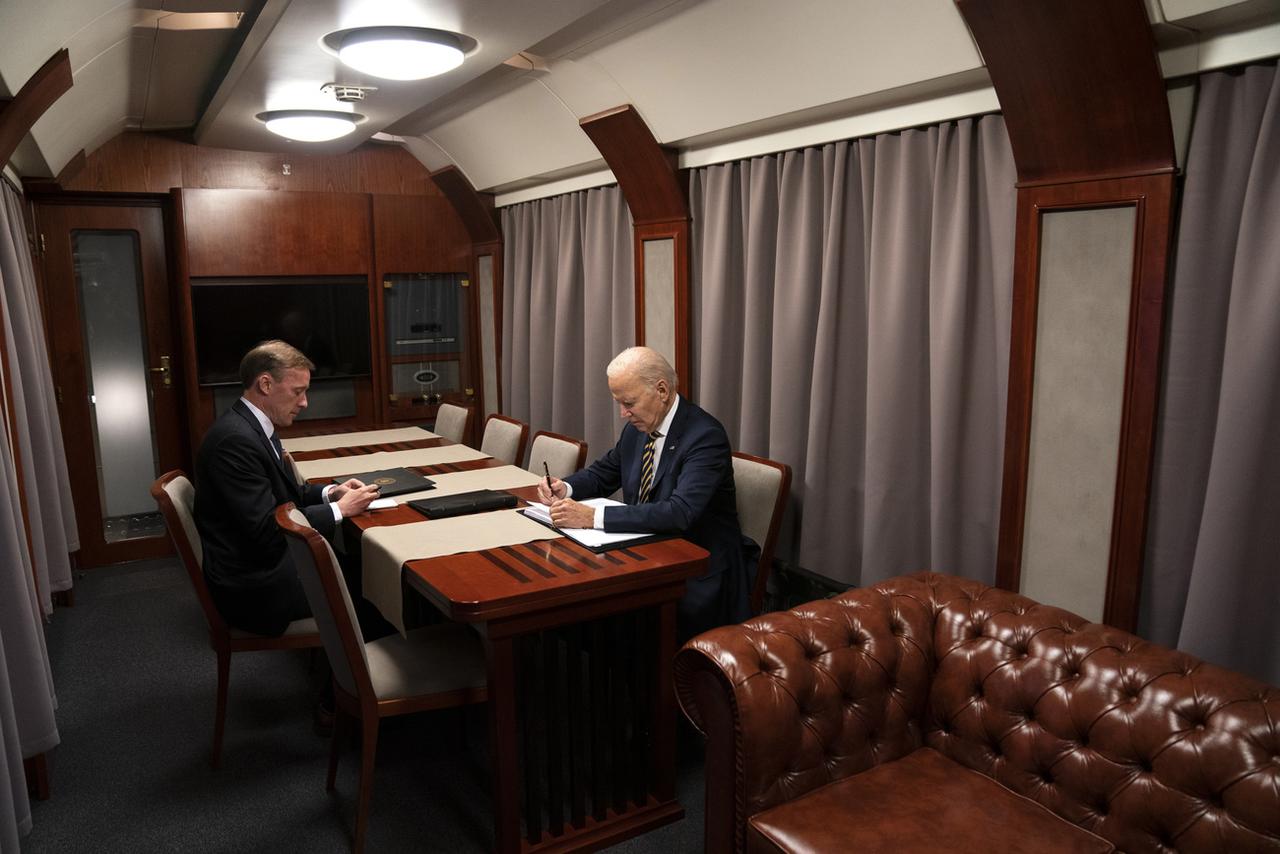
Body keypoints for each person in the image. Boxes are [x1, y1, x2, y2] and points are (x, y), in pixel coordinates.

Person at [538, 346, 752, 639]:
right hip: (646, 555)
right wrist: (566, 487)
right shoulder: (639, 428)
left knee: (602, 616)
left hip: (697, 570)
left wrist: (591, 516)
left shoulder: (704, 436)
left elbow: (679, 512)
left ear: (662, 390)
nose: (623, 413)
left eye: (629, 402)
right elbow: (605, 472)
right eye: (619, 403)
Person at [194, 340, 380, 637]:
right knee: (378, 587)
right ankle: (365, 677)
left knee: (370, 569)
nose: (305, 402)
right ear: (265, 384)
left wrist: (331, 493)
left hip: (263, 565)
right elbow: (267, 530)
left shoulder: (252, 427)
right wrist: (338, 510)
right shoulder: (235, 441)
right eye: (298, 391)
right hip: (256, 588)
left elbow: (286, 496)